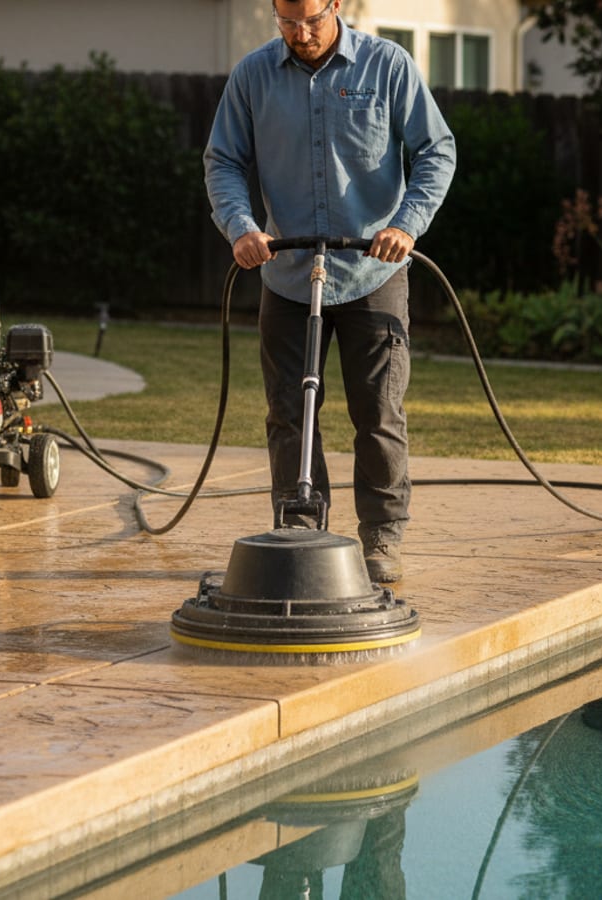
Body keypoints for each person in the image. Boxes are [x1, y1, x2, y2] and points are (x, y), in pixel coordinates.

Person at [203, 0, 456, 583]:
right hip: (288, 274)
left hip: (374, 272)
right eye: (287, 22)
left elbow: (436, 151)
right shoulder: (253, 76)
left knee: (378, 412)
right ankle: (300, 527)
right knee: (291, 412)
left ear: (335, 5)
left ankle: (382, 536)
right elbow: (222, 161)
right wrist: (241, 228)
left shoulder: (387, 66)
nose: (301, 33)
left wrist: (406, 225)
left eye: (311, 20)